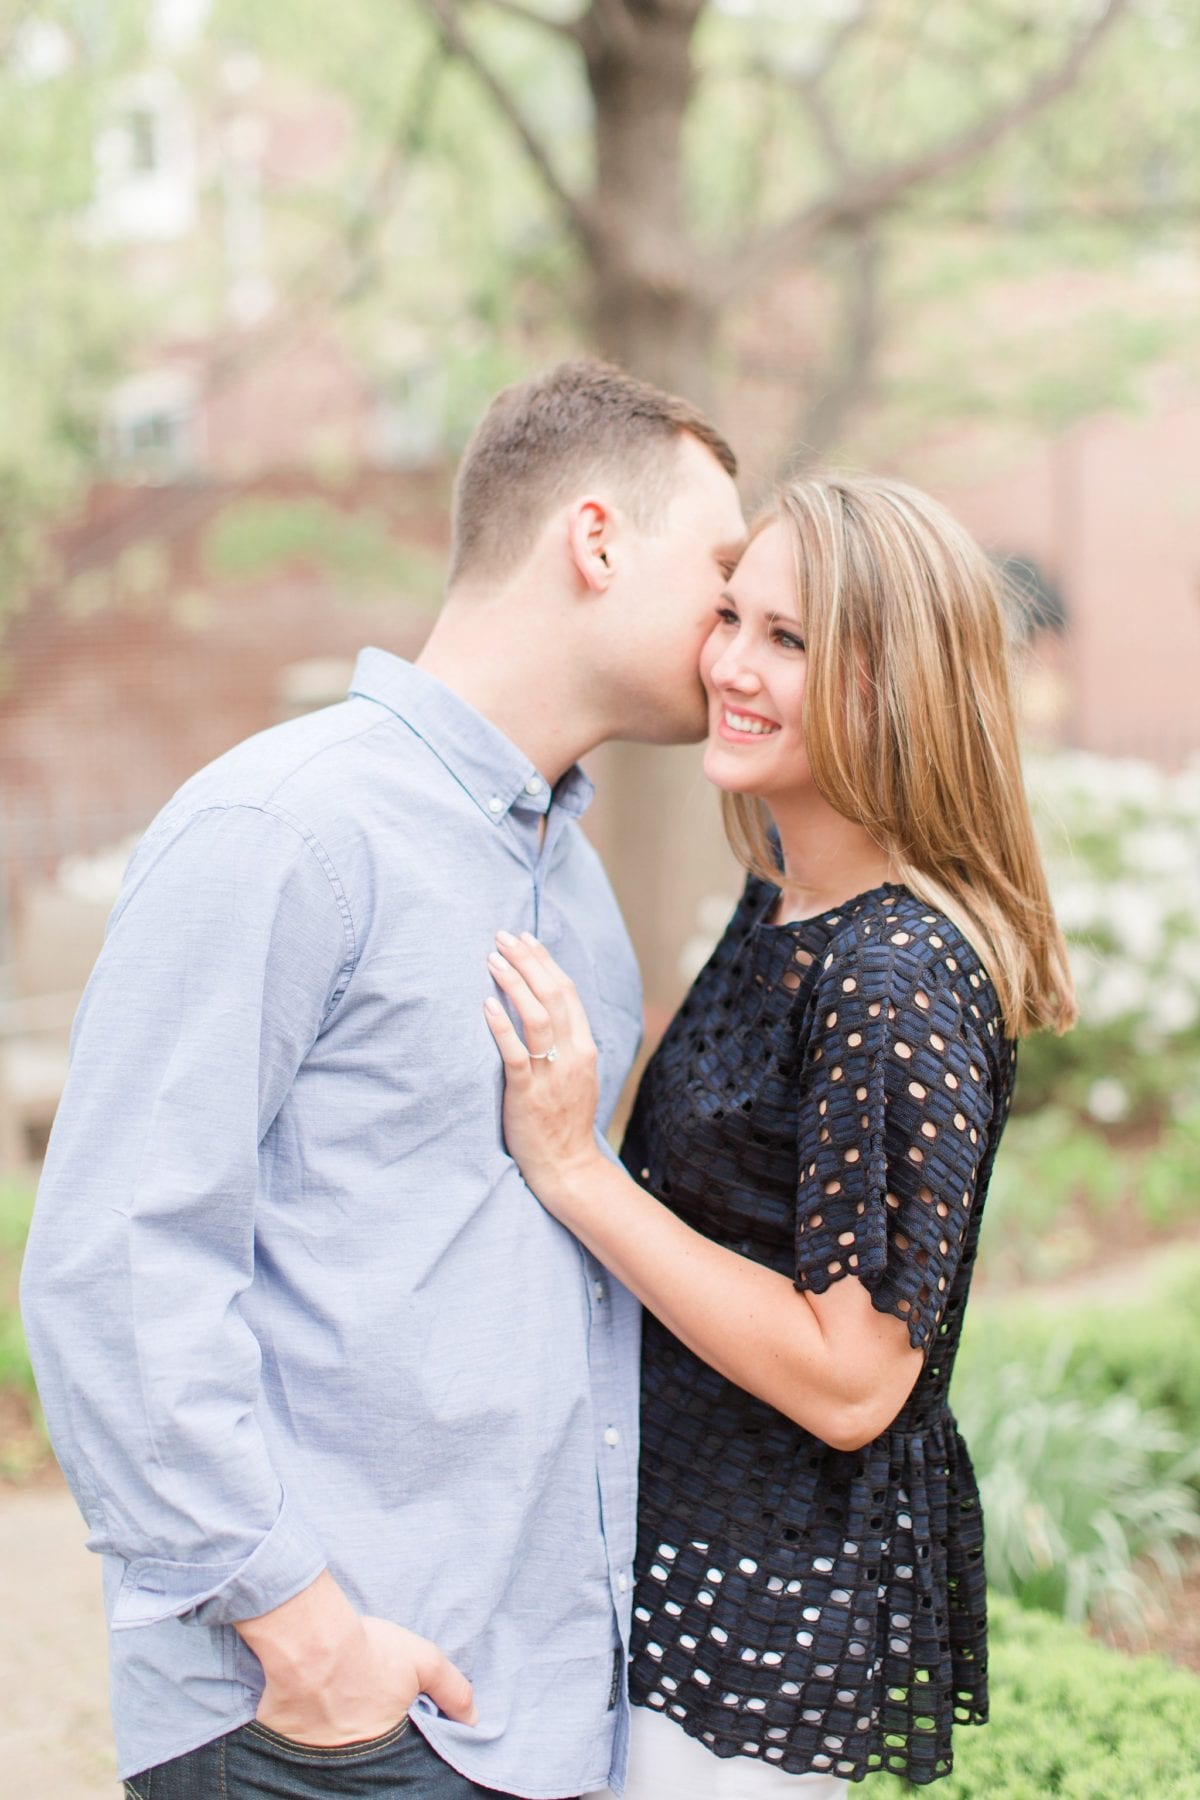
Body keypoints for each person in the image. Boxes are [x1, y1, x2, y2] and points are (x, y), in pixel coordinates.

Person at [19, 360, 748, 1800]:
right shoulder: (284, 828)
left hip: (522, 1715)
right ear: (596, 541)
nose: (738, 629)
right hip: (314, 1725)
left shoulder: (573, 888)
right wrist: (300, 1628)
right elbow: (112, 1265)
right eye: (722, 574)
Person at [483, 473, 1076, 1798]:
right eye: (733, 616)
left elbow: (853, 1379)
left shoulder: (893, 978)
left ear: (895, 684)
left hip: (757, 1635)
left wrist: (576, 1166)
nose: (733, 666)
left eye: (790, 639)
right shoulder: (787, 903)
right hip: (671, 1583)